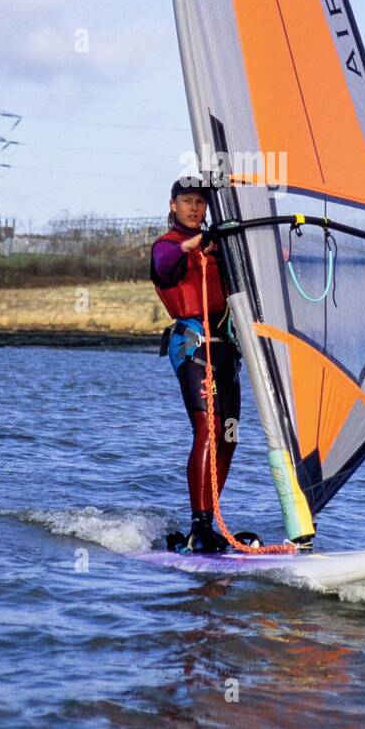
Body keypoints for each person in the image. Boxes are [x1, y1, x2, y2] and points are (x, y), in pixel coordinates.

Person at [150, 179, 241, 553]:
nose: (194, 208)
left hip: (227, 350)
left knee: (230, 435)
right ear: (172, 205)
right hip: (192, 347)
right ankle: (199, 524)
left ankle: (214, 516)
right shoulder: (166, 246)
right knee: (207, 429)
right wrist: (195, 243)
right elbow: (165, 267)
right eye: (187, 201)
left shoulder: (219, 247)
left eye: (200, 203)